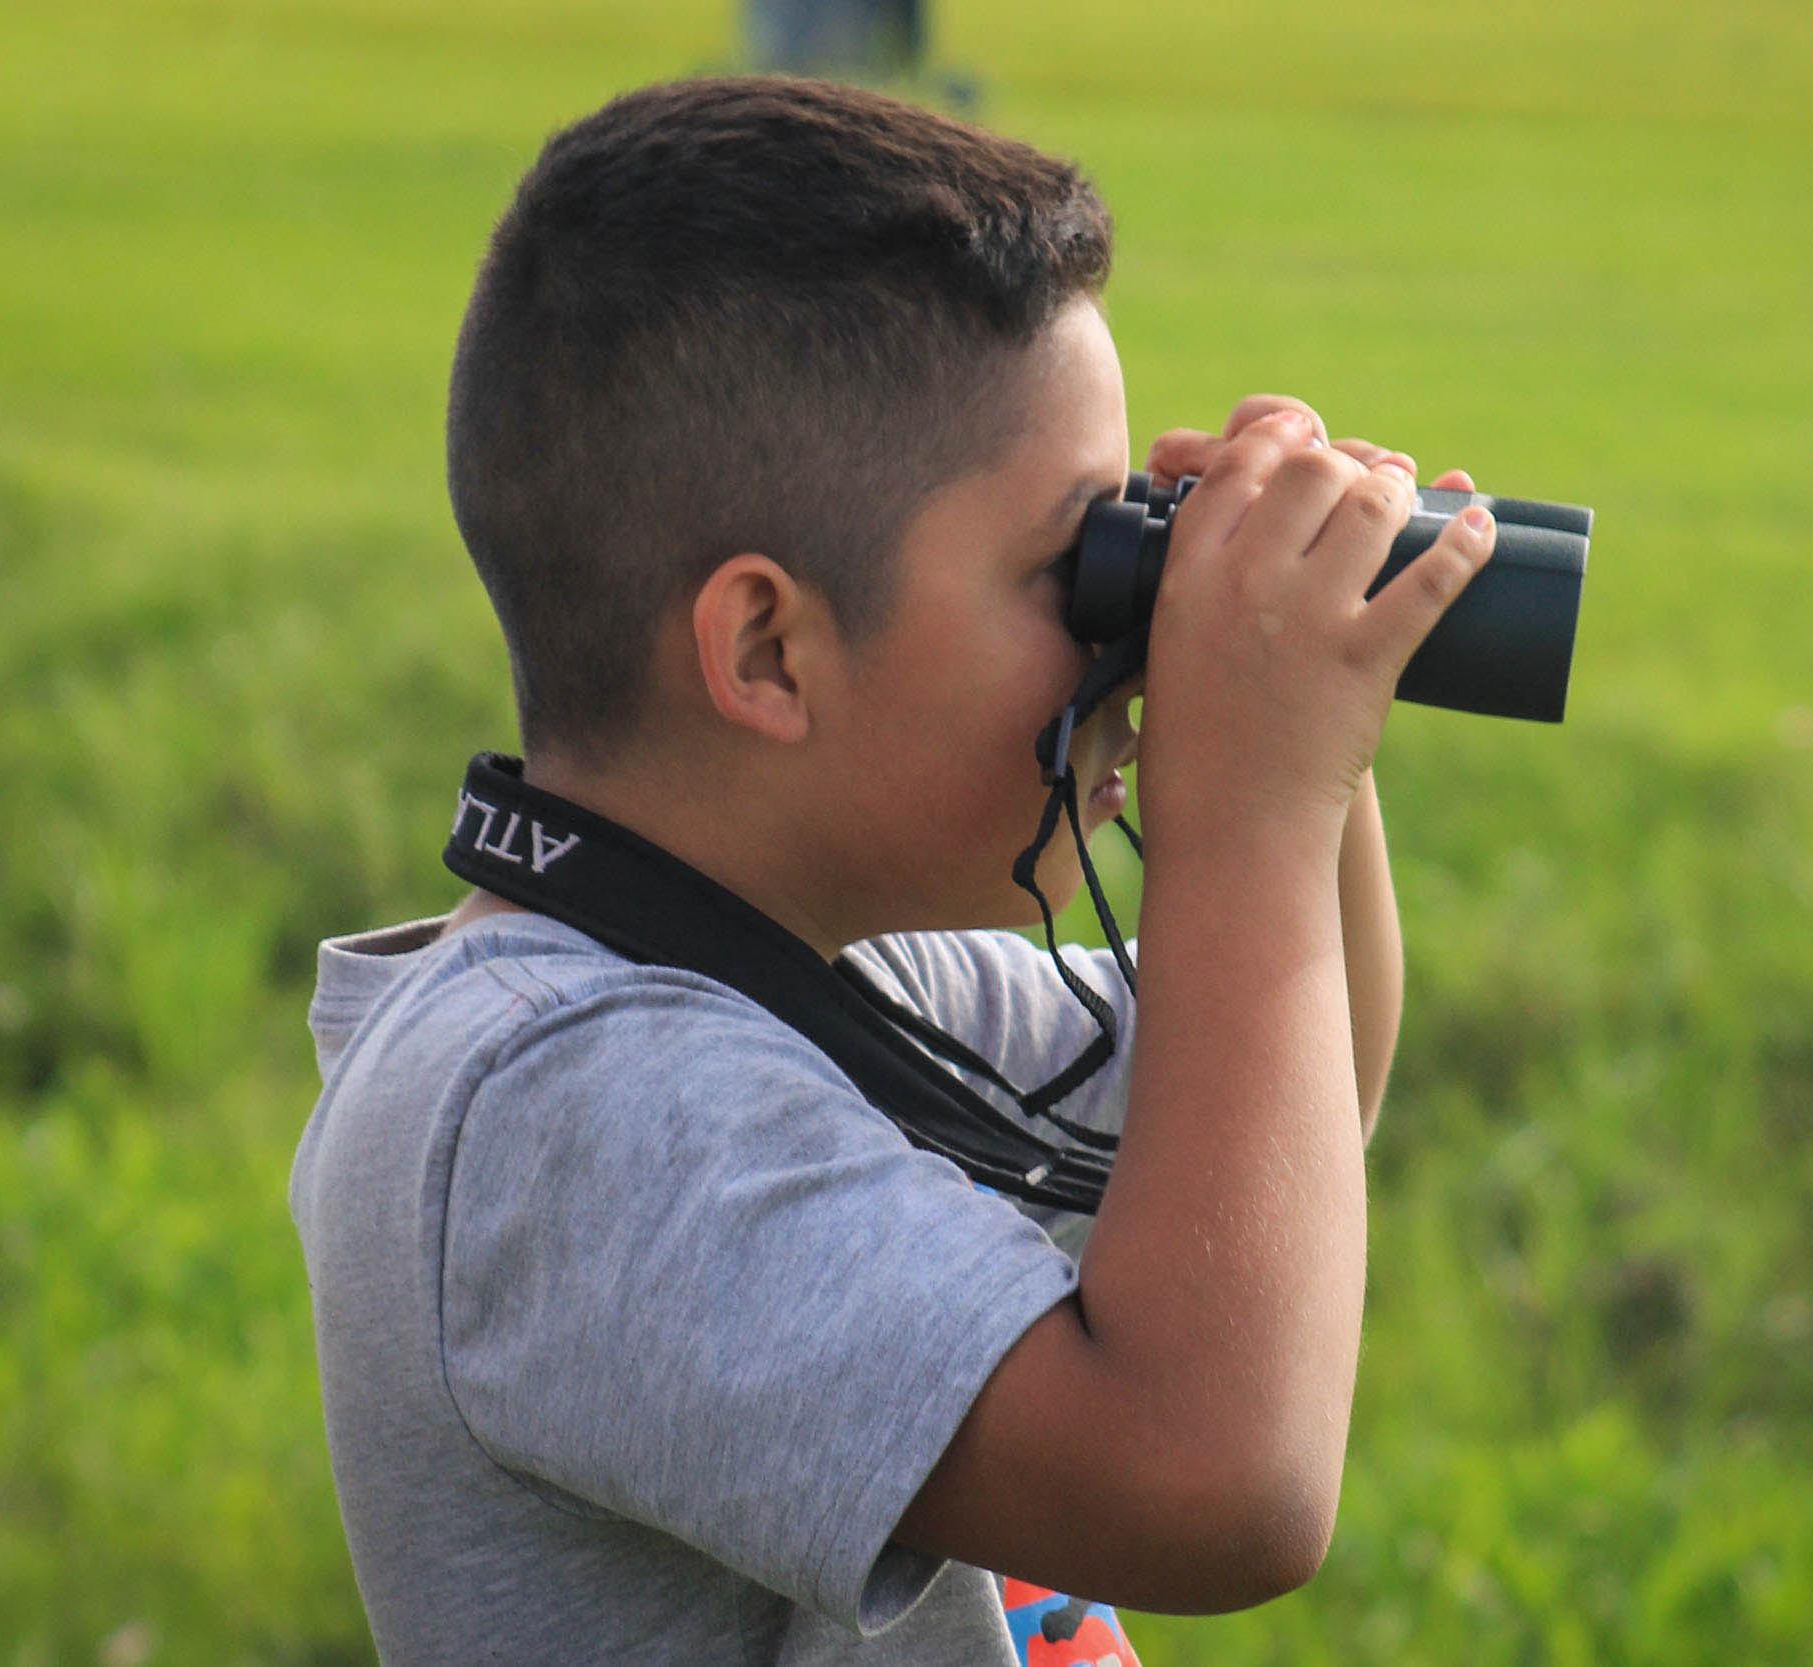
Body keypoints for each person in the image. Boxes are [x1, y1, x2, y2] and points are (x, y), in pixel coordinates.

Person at [287, 72, 1496, 1664]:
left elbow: (1294, 1117)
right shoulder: (559, 1114)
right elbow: (1215, 1484)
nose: (1120, 632)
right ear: (770, 650)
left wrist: (1299, 727)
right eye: (1073, 565)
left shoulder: (818, 971)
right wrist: (1254, 804)